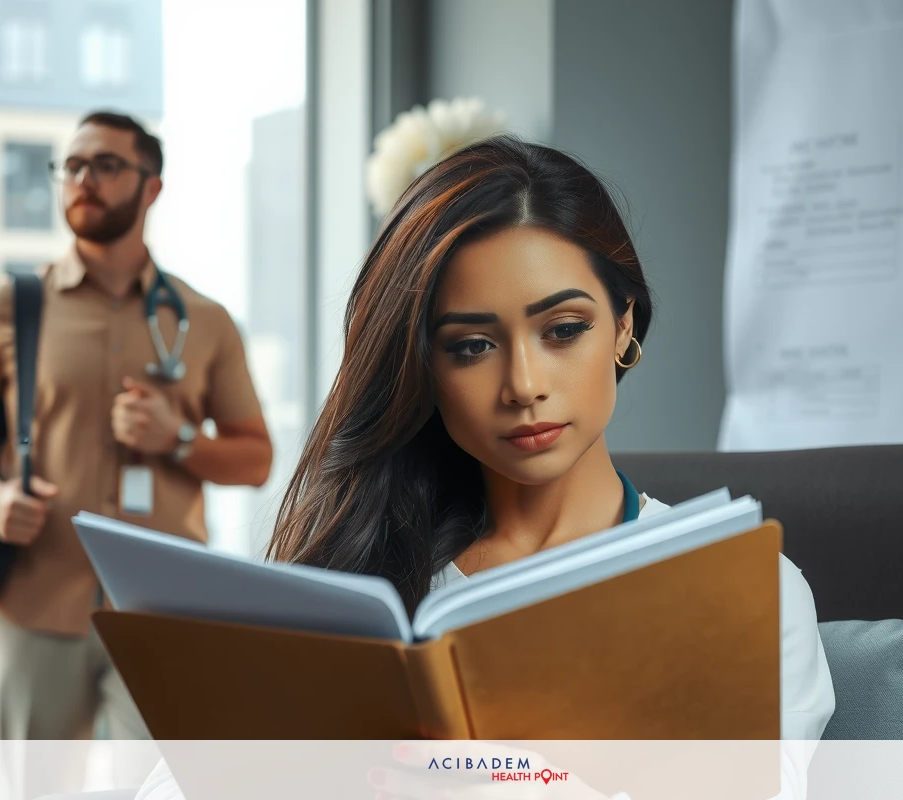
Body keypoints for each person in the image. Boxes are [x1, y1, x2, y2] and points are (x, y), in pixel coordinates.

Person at [135, 135, 833, 800]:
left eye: (563, 330)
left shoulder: (749, 592)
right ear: (423, 368)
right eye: (471, 346)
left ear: (623, 325)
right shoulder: (354, 578)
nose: (523, 384)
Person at [0, 110, 274, 747]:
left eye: (107, 165)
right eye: (73, 166)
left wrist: (179, 438)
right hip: (37, 604)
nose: (84, 179)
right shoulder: (12, 305)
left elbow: (256, 461)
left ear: (152, 187)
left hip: (163, 615)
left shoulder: (207, 321)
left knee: (162, 792)